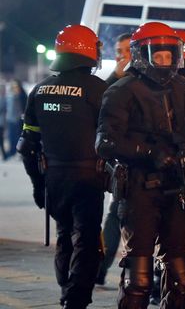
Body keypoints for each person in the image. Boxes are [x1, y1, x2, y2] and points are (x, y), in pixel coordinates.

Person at [96, 22, 185, 308]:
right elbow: (106, 143)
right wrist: (148, 152)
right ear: (143, 55)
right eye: (159, 56)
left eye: (170, 55)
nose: (165, 61)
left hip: (178, 188)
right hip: (139, 189)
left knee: (182, 278)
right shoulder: (122, 90)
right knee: (138, 279)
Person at [18, 25, 108, 308]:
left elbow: (26, 145)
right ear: (87, 50)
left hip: (54, 177)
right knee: (88, 239)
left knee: (64, 234)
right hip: (88, 177)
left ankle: (65, 288)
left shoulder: (40, 89)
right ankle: (75, 298)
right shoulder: (100, 90)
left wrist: (38, 184)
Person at [96, 31, 134, 286]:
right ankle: (102, 267)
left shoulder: (146, 80)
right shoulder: (116, 82)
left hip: (140, 158)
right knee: (117, 212)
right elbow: (100, 103)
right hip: (123, 160)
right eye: (118, 52)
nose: (120, 57)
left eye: (125, 52)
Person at [5, 78, 28, 158]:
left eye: (16, 86)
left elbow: (24, 107)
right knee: (11, 136)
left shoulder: (22, 95)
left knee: (19, 136)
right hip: (11, 119)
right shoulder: (11, 95)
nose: (14, 87)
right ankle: (12, 151)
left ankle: (19, 152)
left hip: (19, 119)